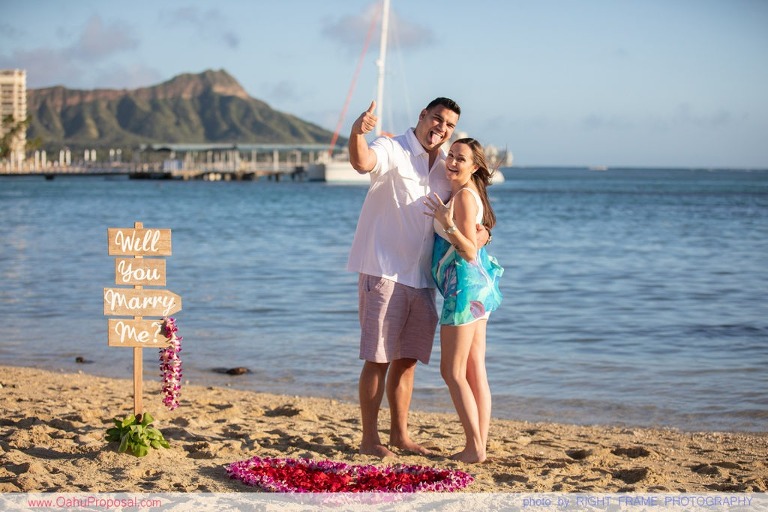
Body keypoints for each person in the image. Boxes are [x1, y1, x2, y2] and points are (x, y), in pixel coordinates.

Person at [347, 97, 466, 458]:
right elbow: (362, 162)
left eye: (448, 125)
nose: (441, 129)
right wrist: (357, 132)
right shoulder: (393, 148)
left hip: (422, 279)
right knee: (378, 358)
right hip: (384, 271)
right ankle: (370, 440)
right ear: (422, 117)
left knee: (408, 360)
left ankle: (400, 435)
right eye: (437, 119)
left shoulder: (446, 167)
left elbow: (469, 200)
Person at [423, 137, 503, 463]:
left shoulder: (465, 197)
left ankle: (474, 447)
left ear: (475, 166)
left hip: (464, 291)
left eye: (461, 158)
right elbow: (479, 239)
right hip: (476, 290)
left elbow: (469, 250)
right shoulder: (466, 193)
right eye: (451, 156)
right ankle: (478, 444)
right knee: (474, 370)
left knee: (452, 372)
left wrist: (447, 223)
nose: (453, 162)